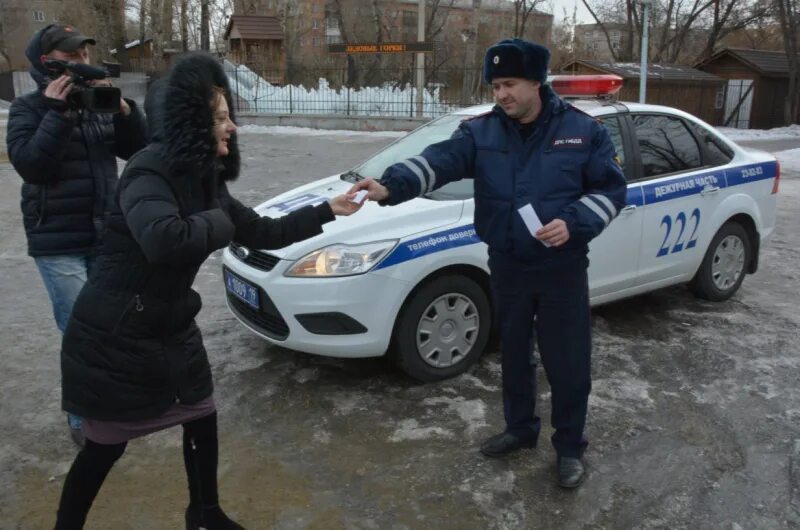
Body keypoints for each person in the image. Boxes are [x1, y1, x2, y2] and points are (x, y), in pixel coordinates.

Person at [52, 52, 362, 529]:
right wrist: (221, 221)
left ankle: (205, 513)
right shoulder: (147, 171)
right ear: (191, 122)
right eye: (220, 117)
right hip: (118, 337)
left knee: (201, 415)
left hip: (170, 326)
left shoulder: (205, 178)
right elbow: (164, 239)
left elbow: (260, 232)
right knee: (104, 446)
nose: (232, 126)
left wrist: (327, 209)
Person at [350, 38, 627, 488]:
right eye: (496, 85)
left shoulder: (581, 131)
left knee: (568, 363)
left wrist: (573, 223)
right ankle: (520, 430)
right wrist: (390, 184)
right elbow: (438, 161)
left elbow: (612, 191)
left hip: (561, 269)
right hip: (507, 265)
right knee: (515, 356)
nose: (501, 94)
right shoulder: (482, 132)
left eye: (510, 84)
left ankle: (570, 448)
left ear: (536, 82)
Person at [6, 23, 147, 446]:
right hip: (58, 240)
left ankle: (111, 401)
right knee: (80, 330)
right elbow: (32, 166)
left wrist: (124, 111)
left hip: (106, 235)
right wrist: (56, 114)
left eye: (85, 55)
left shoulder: (98, 102)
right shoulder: (29, 108)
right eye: (72, 56)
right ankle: (82, 417)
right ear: (47, 61)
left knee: (110, 325)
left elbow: (136, 150)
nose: (82, 63)